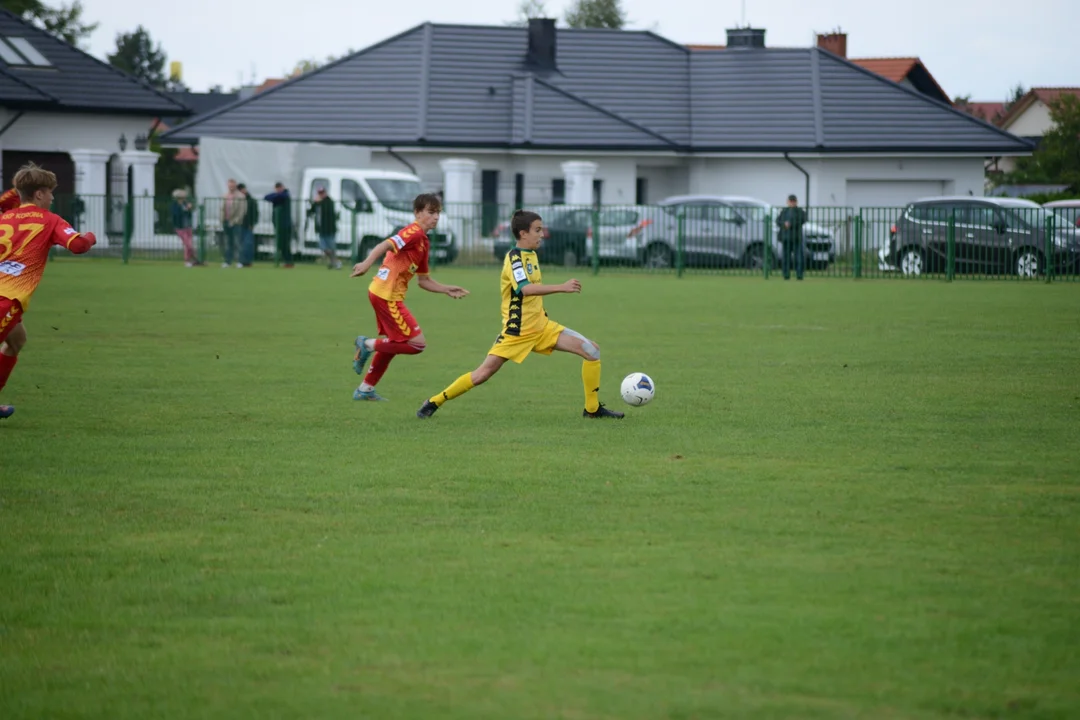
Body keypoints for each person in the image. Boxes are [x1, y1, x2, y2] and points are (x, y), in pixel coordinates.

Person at [417, 209, 624, 420]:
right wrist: (562, 287)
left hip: (542, 327)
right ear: (523, 233)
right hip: (518, 331)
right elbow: (525, 289)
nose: (541, 234)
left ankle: (592, 409)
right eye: (537, 230)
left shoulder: (532, 255)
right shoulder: (514, 259)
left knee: (592, 351)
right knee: (482, 374)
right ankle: (434, 401)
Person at [0, 162, 97, 420]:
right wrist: (90, 236)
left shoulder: (4, 217)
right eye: (51, 192)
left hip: (6, 295)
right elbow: (78, 246)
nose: (53, 197)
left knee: (16, 341)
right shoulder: (49, 220)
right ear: (40, 193)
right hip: (6, 299)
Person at [349, 193, 469, 401]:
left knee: (394, 343)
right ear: (417, 213)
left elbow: (424, 281)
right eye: (431, 212)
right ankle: (367, 344)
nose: (436, 217)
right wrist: (367, 263)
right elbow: (385, 244)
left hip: (384, 294)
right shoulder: (412, 232)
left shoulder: (423, 242)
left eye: (438, 213)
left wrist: (446, 289)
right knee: (416, 344)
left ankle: (365, 390)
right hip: (386, 296)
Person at [308, 187, 341, 269]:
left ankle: (335, 263)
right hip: (321, 229)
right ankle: (334, 262)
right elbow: (311, 211)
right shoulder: (317, 203)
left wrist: (319, 202)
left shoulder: (329, 201)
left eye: (322, 193)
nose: (320, 195)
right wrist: (314, 203)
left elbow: (327, 211)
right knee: (323, 247)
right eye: (319, 193)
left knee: (331, 247)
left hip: (329, 229)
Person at [776, 194, 808, 281]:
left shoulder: (800, 211)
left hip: (796, 238)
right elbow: (778, 221)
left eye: (794, 201)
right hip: (786, 238)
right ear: (787, 202)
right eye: (791, 201)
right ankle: (786, 274)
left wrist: (790, 224)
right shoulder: (784, 211)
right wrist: (784, 224)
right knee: (786, 257)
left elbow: (803, 219)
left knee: (799, 257)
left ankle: (799, 275)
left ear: (796, 202)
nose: (792, 203)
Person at [264, 182, 294, 268]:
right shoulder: (278, 196)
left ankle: (288, 261)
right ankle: (286, 261)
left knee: (285, 243)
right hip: (277, 223)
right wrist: (276, 195)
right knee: (280, 243)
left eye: (279, 188)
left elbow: (282, 196)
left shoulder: (286, 195)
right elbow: (266, 197)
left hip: (285, 224)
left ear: (282, 187)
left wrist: (276, 195)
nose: (278, 190)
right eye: (277, 188)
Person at [219, 178, 246, 268]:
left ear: (235, 186)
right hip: (226, 221)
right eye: (230, 185)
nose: (231, 187)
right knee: (228, 242)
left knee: (237, 242)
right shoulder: (225, 195)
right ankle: (228, 261)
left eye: (233, 185)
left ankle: (240, 261)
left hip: (236, 222)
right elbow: (222, 209)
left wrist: (235, 221)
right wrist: (221, 219)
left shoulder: (241, 196)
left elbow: (242, 210)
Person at [171, 188, 200, 267]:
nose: (184, 198)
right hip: (180, 228)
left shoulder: (185, 203)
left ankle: (193, 260)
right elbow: (176, 214)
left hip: (188, 227)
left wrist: (189, 209)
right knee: (188, 244)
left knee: (190, 245)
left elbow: (189, 214)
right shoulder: (175, 205)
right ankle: (187, 260)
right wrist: (186, 209)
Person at [237, 183, 258, 267]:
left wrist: (253, 223)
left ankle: (247, 261)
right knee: (240, 244)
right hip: (239, 224)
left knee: (248, 243)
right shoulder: (237, 200)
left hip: (248, 225)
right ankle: (241, 261)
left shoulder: (251, 201)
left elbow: (255, 213)